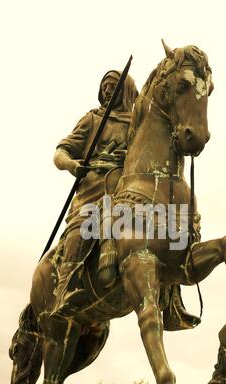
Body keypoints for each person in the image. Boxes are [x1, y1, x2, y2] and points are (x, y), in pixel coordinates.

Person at [52, 70, 138, 315]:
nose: (108, 91)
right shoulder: (92, 119)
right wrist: (71, 165)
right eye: (105, 86)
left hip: (127, 186)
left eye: (113, 87)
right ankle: (64, 289)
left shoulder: (139, 122)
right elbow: (61, 151)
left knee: (163, 224)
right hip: (94, 187)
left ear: (127, 91)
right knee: (82, 226)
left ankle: (170, 296)